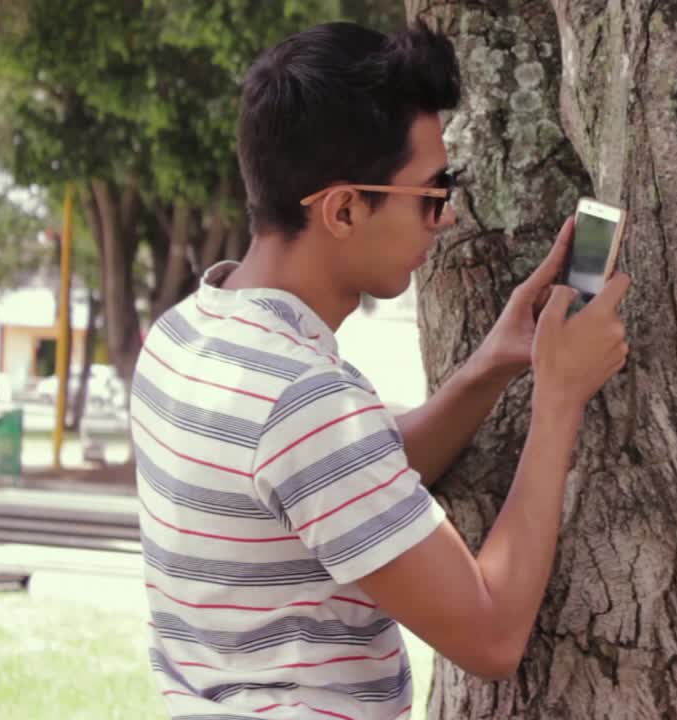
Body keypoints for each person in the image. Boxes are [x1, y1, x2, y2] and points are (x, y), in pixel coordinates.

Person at [129, 18, 630, 720]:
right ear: (342, 209)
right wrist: (561, 395)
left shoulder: (184, 337)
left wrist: (490, 366)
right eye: (431, 195)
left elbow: (341, 487)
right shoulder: (305, 402)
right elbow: (491, 636)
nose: (446, 220)